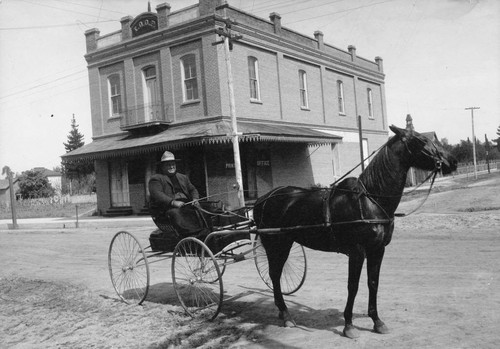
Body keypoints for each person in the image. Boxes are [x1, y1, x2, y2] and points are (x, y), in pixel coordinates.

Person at [149, 151, 205, 237]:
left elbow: (192, 189)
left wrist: (195, 199)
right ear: (162, 166)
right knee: (176, 213)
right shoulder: (156, 179)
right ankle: (191, 234)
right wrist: (173, 202)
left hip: (186, 204)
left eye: (173, 164)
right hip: (167, 209)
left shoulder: (183, 177)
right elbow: (157, 194)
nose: (171, 166)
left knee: (206, 208)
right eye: (168, 165)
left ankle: (205, 231)